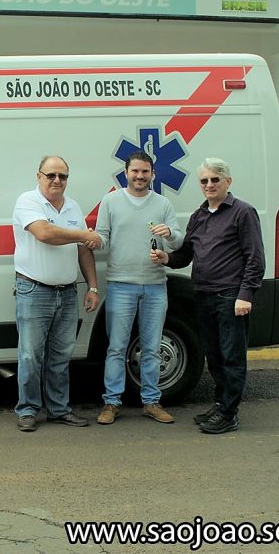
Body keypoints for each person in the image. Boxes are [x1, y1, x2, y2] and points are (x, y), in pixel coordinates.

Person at [151, 158, 265, 434]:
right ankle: (220, 404)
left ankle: (229, 413)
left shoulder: (243, 213)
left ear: (228, 181)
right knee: (213, 356)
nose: (209, 185)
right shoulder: (199, 216)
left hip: (230, 297)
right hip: (203, 296)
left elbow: (255, 258)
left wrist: (245, 295)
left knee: (231, 357)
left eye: (215, 179)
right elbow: (187, 254)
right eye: (204, 181)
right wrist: (167, 257)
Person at [12, 155, 101, 432]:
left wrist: (93, 286)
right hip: (34, 290)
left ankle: (59, 410)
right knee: (30, 356)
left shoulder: (73, 206)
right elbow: (45, 234)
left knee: (61, 356)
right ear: (38, 176)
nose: (57, 181)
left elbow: (83, 250)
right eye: (50, 175)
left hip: (66, 292)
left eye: (62, 176)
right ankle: (27, 410)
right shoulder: (28, 201)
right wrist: (83, 234)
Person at [94, 151, 181, 425]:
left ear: (152, 174)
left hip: (155, 286)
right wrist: (92, 240)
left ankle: (152, 402)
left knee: (152, 348)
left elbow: (178, 242)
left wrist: (171, 235)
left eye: (145, 172)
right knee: (116, 348)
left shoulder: (163, 204)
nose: (140, 176)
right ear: (126, 172)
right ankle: (111, 403)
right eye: (135, 171)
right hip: (120, 285)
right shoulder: (111, 201)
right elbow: (103, 237)